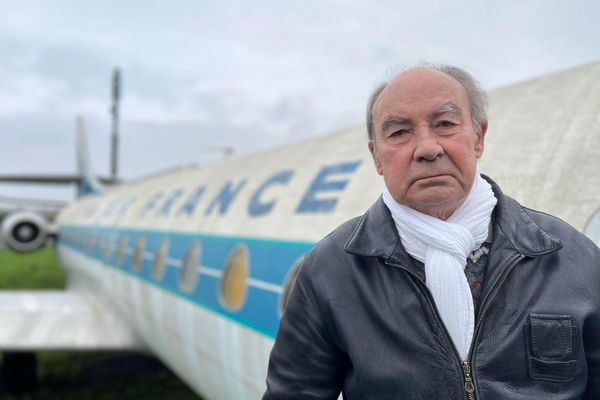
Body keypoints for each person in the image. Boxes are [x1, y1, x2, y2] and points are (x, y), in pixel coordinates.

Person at [263, 64, 600, 399]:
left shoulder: (570, 257)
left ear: (478, 137)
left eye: (445, 124)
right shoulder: (331, 270)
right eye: (399, 132)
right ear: (376, 157)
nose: (427, 148)